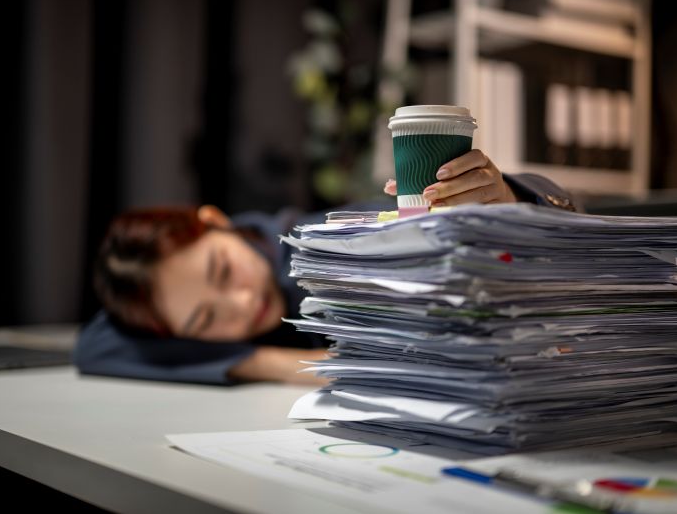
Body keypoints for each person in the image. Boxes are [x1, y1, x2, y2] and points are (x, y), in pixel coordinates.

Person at [73, 150, 576, 385]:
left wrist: (505, 198)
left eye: (224, 271)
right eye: (205, 321)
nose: (243, 304)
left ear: (216, 221)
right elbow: (94, 344)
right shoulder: (188, 318)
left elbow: (565, 223)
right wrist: (271, 364)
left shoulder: (321, 237)